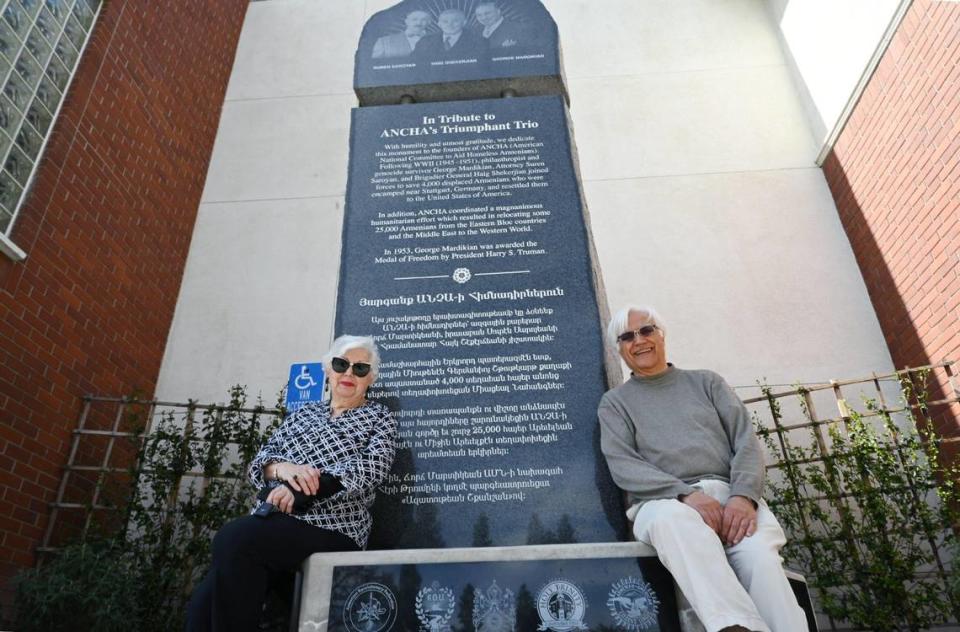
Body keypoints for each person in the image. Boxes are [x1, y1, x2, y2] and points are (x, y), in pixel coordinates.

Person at [598, 306, 807, 632]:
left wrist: (743, 497)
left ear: (661, 334)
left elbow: (746, 442)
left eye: (646, 330)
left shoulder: (707, 383)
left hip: (730, 496)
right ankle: (736, 626)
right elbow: (623, 465)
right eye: (627, 336)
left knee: (760, 563)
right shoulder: (615, 404)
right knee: (673, 521)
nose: (639, 341)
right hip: (663, 501)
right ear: (619, 348)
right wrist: (686, 495)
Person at [186, 335, 397, 632]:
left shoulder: (378, 416)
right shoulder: (302, 414)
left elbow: (371, 468)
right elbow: (260, 464)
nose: (349, 373)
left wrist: (302, 489)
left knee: (235, 539)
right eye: (341, 364)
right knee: (201, 609)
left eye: (360, 369)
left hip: (333, 525)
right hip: (274, 519)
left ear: (370, 378)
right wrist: (283, 469)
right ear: (328, 370)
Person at [413, 8, 486, 62]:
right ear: (439, 24)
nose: (450, 25)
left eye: (455, 21)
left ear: (464, 23)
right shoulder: (424, 42)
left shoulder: (479, 42)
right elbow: (416, 65)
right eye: (445, 21)